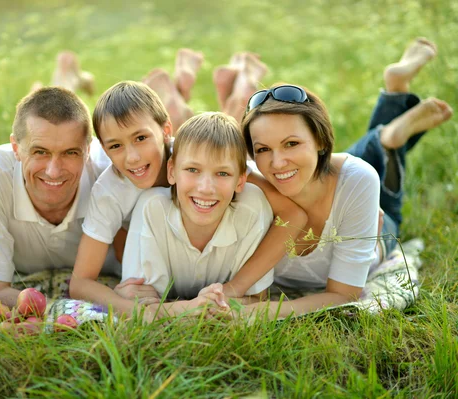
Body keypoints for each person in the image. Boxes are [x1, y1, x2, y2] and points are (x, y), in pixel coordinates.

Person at [211, 37, 454, 320]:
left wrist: (259, 313)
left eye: (291, 143)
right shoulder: (244, 180)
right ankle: (388, 129)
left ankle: (386, 141)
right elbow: (182, 153)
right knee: (327, 168)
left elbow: (344, 295)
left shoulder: (356, 180)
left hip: (369, 212)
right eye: (263, 149)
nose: (276, 162)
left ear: (322, 141)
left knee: (363, 177)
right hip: (325, 173)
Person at [68, 81, 306, 314]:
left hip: (205, 250)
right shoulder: (110, 191)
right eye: (115, 146)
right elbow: (80, 282)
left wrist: (237, 288)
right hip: (151, 256)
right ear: (104, 148)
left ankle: (234, 89)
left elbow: (292, 214)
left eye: (141, 138)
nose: (132, 158)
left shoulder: (200, 158)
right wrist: (133, 307)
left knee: (239, 173)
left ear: (165, 131)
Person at [0, 87, 120, 307]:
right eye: (40, 152)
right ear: (16, 148)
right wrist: (68, 310)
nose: (53, 171)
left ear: (88, 150)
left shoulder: (115, 173)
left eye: (70, 152)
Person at [121, 112, 274, 318]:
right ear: (172, 171)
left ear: (240, 181)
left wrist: (183, 309)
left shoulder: (252, 208)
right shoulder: (152, 208)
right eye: (192, 169)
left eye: (222, 173)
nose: (206, 188)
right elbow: (140, 305)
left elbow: (257, 298)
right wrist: (196, 306)